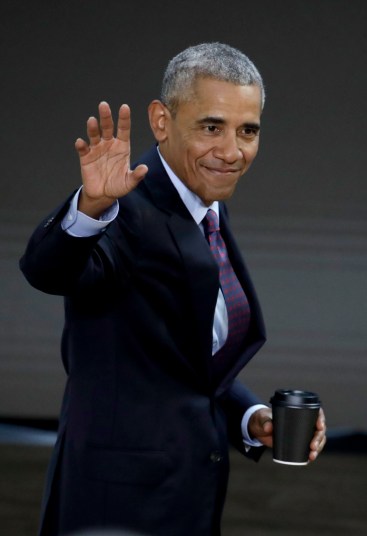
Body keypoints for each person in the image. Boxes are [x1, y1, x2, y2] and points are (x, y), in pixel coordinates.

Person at [19, 42, 327, 535]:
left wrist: (250, 416)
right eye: (211, 127)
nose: (232, 151)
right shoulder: (126, 208)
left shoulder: (206, 206)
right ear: (162, 121)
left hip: (187, 498)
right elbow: (46, 270)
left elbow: (182, 366)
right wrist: (89, 209)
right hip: (116, 506)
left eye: (247, 131)